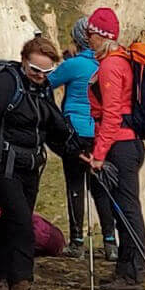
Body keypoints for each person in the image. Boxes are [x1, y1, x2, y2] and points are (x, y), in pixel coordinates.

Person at [0, 35, 75, 290]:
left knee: (13, 224)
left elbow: (52, 129)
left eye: (46, 73)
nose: (39, 77)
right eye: (34, 70)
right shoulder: (7, 82)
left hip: (30, 166)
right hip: (1, 164)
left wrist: (78, 151)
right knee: (22, 224)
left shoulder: (43, 91)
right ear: (23, 62)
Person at [85, 8, 145, 290]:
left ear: (103, 36)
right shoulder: (120, 61)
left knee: (127, 208)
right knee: (126, 207)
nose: (88, 39)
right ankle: (126, 269)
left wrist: (99, 155)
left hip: (120, 145)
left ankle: (133, 271)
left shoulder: (111, 66)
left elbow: (111, 115)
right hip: (127, 142)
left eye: (90, 34)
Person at [45, 14, 105, 259]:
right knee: (100, 186)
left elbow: (44, 83)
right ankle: (110, 242)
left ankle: (77, 241)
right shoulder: (105, 63)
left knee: (75, 185)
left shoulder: (73, 65)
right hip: (100, 132)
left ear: (78, 39)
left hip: (76, 132)